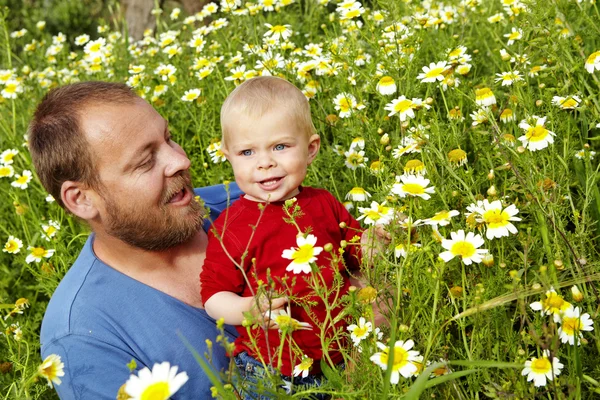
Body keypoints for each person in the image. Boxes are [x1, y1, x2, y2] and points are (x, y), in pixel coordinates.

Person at [30, 81, 242, 399]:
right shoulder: (84, 338)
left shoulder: (247, 204)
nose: (180, 161)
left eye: (168, 138)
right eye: (145, 162)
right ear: (81, 199)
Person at [200, 77, 381, 398]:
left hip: (339, 358)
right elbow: (214, 297)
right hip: (269, 369)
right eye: (247, 151)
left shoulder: (323, 202)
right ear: (228, 156)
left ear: (311, 149)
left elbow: (355, 257)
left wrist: (375, 240)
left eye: (280, 146)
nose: (265, 162)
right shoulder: (233, 225)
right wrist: (249, 308)